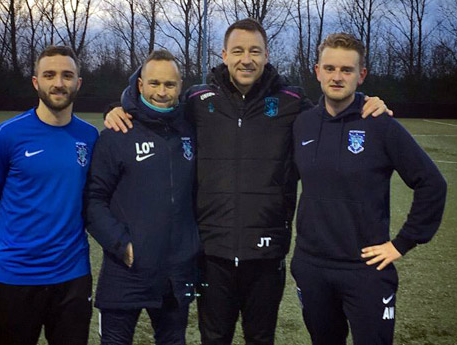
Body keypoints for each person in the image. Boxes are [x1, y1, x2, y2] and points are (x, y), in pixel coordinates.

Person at [104, 19, 389, 345]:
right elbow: (157, 106)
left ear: (267, 55)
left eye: (255, 51)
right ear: (224, 54)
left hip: (266, 259)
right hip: (211, 257)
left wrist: (365, 100)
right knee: (214, 338)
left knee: (260, 338)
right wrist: (123, 103)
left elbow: (332, 113)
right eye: (238, 50)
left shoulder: (290, 101)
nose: (246, 59)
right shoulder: (199, 101)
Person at [290, 33, 447, 345]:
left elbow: (432, 184)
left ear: (361, 75)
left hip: (366, 270)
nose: (337, 77)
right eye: (330, 68)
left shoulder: (379, 124)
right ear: (317, 70)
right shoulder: (302, 123)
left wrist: (402, 243)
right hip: (312, 266)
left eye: (346, 70)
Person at [0, 45, 98, 345]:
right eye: (50, 75)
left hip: (72, 277)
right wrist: (12, 244)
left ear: (78, 83)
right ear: (36, 82)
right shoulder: (6, 135)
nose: (59, 83)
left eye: (67, 75)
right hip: (16, 278)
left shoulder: (90, 137)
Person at [84, 49, 200, 345]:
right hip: (126, 271)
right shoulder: (117, 133)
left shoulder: (191, 129)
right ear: (140, 85)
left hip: (175, 271)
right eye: (154, 83)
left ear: (180, 86)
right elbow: (93, 200)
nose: (162, 92)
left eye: (170, 85)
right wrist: (123, 246)